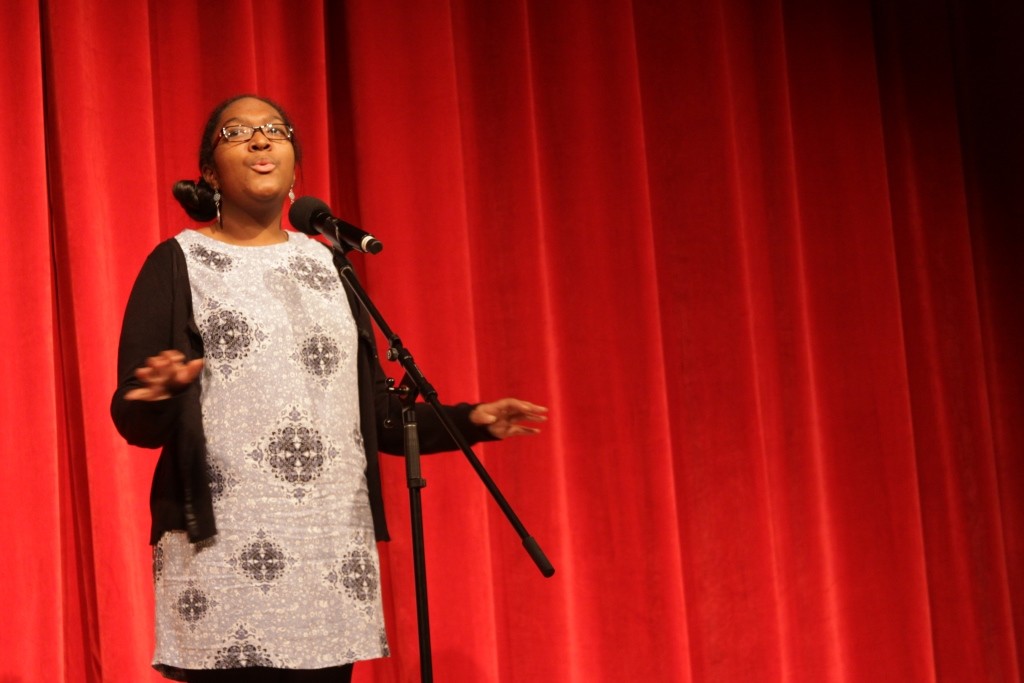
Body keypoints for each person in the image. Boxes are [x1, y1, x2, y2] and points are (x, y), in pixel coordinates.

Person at [110, 94, 547, 683]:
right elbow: (134, 419)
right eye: (237, 132)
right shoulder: (178, 262)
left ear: (295, 163)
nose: (261, 141)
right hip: (223, 552)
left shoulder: (331, 267)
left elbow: (379, 417)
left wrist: (472, 421)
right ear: (209, 171)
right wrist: (156, 391)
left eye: (275, 130)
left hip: (329, 545)